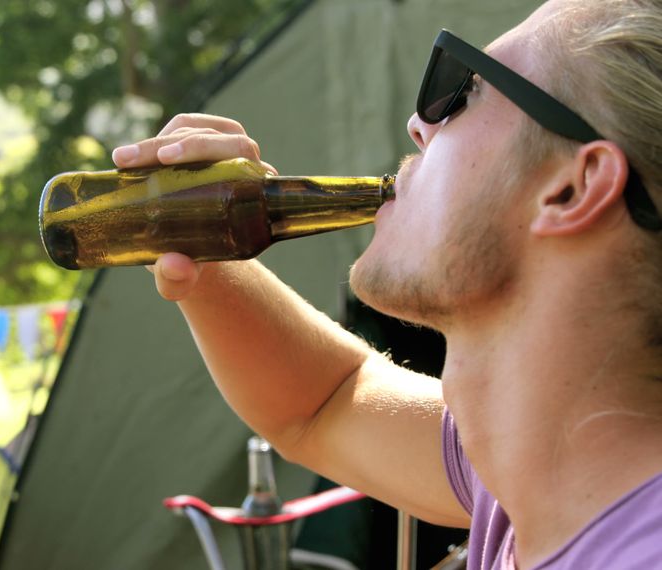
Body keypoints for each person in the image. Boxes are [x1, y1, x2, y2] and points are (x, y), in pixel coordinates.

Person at [110, 0, 662, 568]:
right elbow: (325, 403)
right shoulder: (534, 463)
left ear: (572, 189)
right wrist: (205, 247)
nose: (420, 125)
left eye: (464, 89)